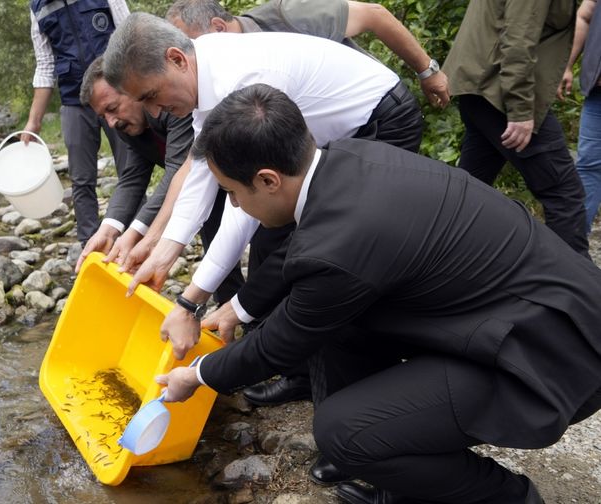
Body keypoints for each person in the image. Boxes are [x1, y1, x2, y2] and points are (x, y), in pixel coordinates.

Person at [158, 83, 601, 504]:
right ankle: (401, 477)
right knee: (343, 327)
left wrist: (197, 375)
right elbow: (299, 254)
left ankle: (507, 496)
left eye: (233, 193)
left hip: (547, 353)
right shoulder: (349, 158)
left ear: (269, 180)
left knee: (343, 432)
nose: (234, 205)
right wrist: (236, 308)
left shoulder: (340, 246)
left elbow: (278, 345)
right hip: (515, 314)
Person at [101, 12, 422, 415]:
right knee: (273, 249)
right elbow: (204, 169)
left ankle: (362, 399)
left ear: (176, 59)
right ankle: (301, 374)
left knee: (326, 257)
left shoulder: (244, 77)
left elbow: (247, 201)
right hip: (316, 144)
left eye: (150, 96)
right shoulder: (204, 70)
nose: (155, 113)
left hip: (377, 122)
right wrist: (165, 252)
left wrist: (190, 300)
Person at [76, 57, 245, 303]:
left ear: (133, 89)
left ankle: (255, 313)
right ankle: (229, 310)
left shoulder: (170, 104)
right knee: (213, 236)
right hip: (202, 183)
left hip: (234, 174)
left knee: (259, 241)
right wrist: (108, 229)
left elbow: (178, 170)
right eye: (103, 116)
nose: (111, 123)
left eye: (112, 109)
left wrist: (136, 233)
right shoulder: (125, 123)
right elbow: (133, 176)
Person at [443, 0, 590, 257]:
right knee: (564, 194)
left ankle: (437, 268)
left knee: (469, 191)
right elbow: (518, 39)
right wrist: (521, 109)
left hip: (482, 87)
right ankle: (574, 292)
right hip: (498, 92)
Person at [166, 0, 450, 108]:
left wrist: (427, 71)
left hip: (377, 113)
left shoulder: (287, 15)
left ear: (217, 28)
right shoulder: (221, 77)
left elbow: (375, 16)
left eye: (195, 47)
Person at [23, 0, 131, 244]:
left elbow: (129, 32)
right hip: (74, 100)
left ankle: (134, 241)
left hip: (115, 93)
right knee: (81, 181)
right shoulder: (37, 8)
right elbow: (45, 65)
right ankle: (90, 249)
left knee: (131, 172)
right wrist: (33, 122)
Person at [560, 0, 601, 235]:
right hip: (598, 93)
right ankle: (575, 253)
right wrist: (566, 65)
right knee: (588, 166)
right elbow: (585, 15)